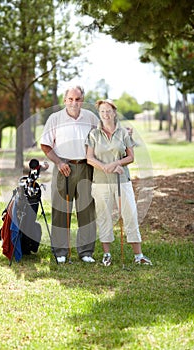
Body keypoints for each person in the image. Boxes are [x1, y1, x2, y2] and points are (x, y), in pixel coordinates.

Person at [86, 99, 152, 266]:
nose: (106, 114)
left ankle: (139, 255)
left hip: (122, 180)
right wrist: (106, 167)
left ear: (114, 112)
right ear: (99, 114)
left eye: (108, 111)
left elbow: (130, 157)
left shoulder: (124, 133)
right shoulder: (93, 134)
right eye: (102, 111)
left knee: (130, 214)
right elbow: (89, 158)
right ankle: (106, 254)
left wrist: (116, 164)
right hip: (100, 182)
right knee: (104, 216)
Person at [40, 85, 98, 263]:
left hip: (86, 167)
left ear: (82, 100)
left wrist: (124, 132)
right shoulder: (55, 118)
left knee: (87, 210)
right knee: (60, 210)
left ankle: (86, 252)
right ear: (65, 100)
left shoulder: (90, 117)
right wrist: (58, 162)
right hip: (63, 167)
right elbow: (45, 145)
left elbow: (105, 134)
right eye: (71, 99)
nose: (74, 103)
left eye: (78, 99)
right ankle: (60, 252)